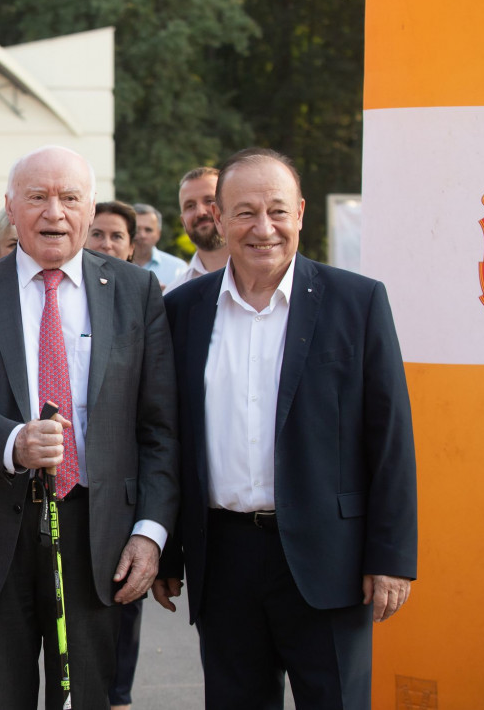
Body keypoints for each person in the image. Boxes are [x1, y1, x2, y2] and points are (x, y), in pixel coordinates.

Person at [155, 148, 418, 710]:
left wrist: (391, 557)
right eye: (244, 212)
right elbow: (169, 439)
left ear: (300, 213)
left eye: (277, 210)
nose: (263, 228)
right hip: (222, 560)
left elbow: (390, 437)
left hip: (331, 560)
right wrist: (168, 550)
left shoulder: (358, 302)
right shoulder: (182, 311)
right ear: (220, 220)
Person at [0, 145, 180, 710]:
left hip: (98, 533)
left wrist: (151, 531)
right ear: (11, 208)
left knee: (87, 698)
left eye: (69, 198)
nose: (54, 213)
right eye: (38, 198)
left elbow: (160, 426)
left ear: (90, 210)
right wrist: (13, 441)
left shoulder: (136, 293)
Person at [83, 199, 142, 710]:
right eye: (96, 234)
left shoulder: (146, 299)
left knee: (110, 670)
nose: (105, 244)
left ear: (132, 244)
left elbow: (158, 422)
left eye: (115, 236)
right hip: (42, 502)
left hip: (117, 515)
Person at [164, 167, 227, 295]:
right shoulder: (175, 294)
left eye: (209, 200)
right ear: (183, 222)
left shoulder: (266, 275)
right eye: (190, 206)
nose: (200, 212)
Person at [130, 203, 186, 289]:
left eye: (148, 230)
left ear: (158, 234)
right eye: (136, 229)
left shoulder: (178, 269)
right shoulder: (114, 266)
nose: (142, 235)